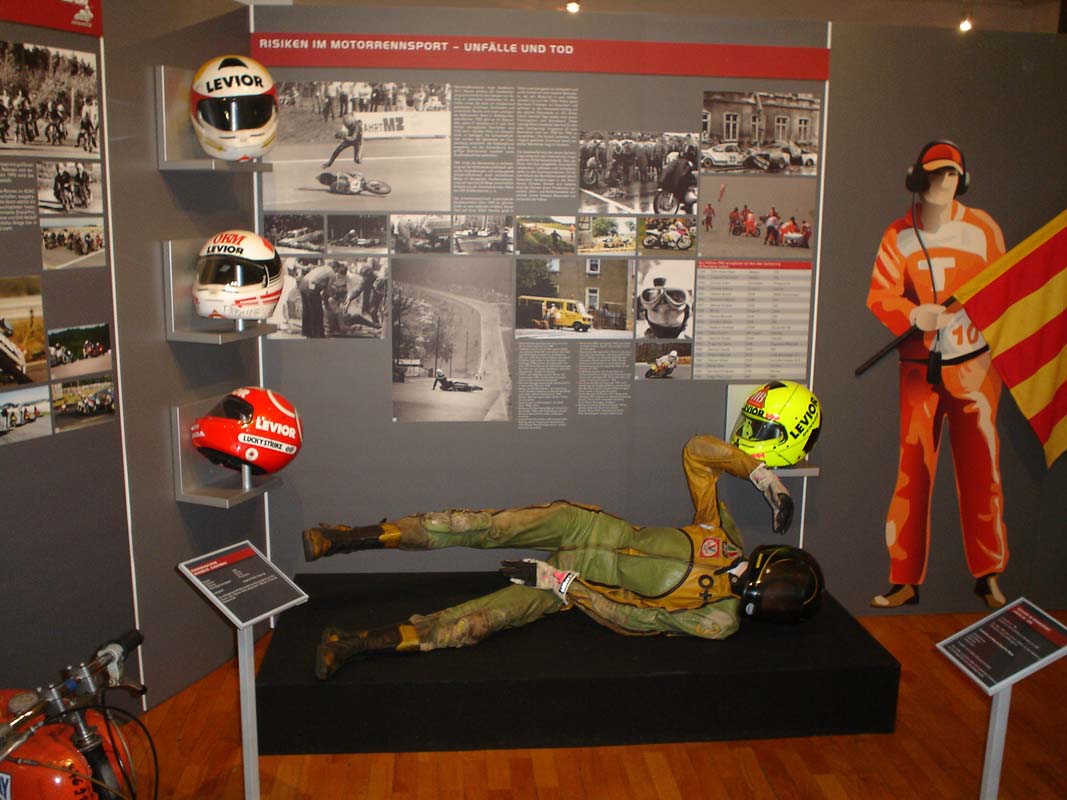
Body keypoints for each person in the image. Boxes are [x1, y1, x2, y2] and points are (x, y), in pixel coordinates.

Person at [301, 434, 821, 680]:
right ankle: (346, 538)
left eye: (772, 599)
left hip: (569, 586)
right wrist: (761, 476)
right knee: (469, 525)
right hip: (583, 525)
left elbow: (636, 619)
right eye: (771, 587)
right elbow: (697, 453)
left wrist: (561, 583)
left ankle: (355, 645)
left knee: (472, 625)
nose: (759, 593)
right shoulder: (723, 534)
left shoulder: (718, 620)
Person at [866, 140, 1008, 609]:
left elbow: (1004, 290)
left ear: (962, 179)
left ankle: (988, 573)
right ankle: (905, 577)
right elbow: (880, 295)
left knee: (982, 469)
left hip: (974, 367)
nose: (943, 182)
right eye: (935, 173)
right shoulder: (898, 234)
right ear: (918, 177)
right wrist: (912, 314)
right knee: (913, 471)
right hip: (919, 368)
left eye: (951, 174)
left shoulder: (983, 229)